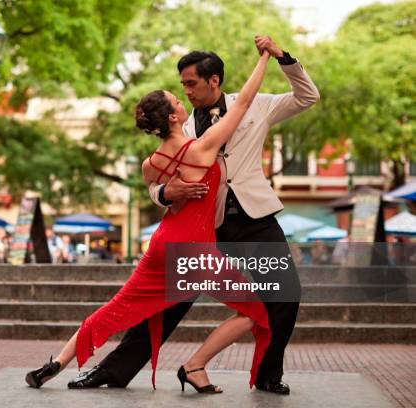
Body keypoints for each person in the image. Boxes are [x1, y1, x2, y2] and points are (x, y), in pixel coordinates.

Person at [70, 35, 318, 395]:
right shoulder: (180, 126)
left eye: (191, 82)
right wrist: (165, 193)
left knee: (284, 294)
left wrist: (283, 58)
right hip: (203, 228)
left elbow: (308, 96)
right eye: (181, 84)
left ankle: (267, 374)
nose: (184, 90)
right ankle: (113, 370)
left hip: (254, 220)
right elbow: (156, 181)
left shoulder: (255, 105)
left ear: (213, 80)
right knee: (168, 302)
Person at [25, 43, 272, 393]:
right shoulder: (203, 148)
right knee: (253, 311)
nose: (183, 100)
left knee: (116, 308)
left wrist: (168, 193)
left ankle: (56, 362)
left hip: (160, 245)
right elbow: (244, 101)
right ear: (173, 117)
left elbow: (161, 197)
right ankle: (194, 365)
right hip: (195, 251)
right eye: (176, 101)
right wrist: (265, 57)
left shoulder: (150, 164)